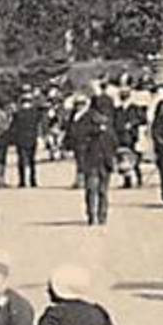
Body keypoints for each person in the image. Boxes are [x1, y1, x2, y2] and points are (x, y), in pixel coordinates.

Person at [69, 93, 117, 226]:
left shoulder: (85, 121)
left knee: (93, 189)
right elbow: (114, 141)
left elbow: (78, 138)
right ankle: (100, 215)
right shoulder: (107, 122)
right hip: (102, 159)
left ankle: (94, 215)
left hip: (92, 160)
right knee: (102, 190)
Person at [9, 94, 44, 189]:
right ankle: (33, 181)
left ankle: (22, 181)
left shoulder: (17, 114)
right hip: (32, 138)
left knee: (21, 161)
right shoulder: (35, 113)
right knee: (32, 160)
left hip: (20, 139)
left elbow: (13, 127)